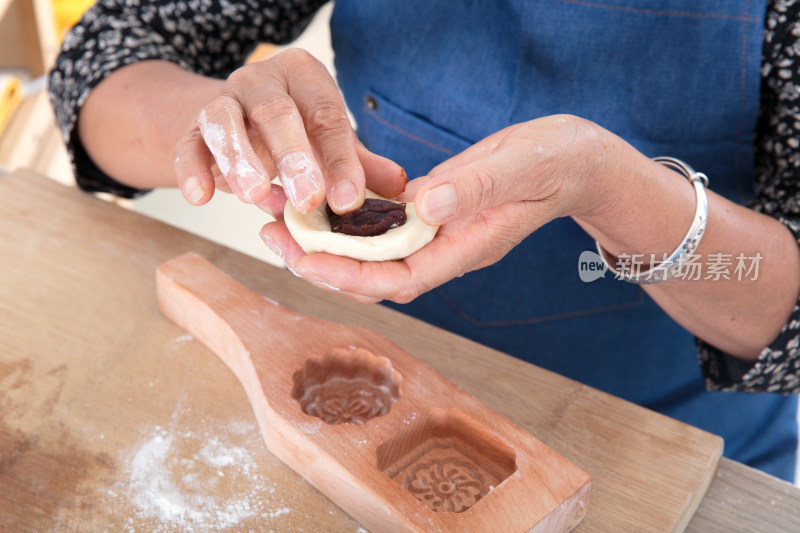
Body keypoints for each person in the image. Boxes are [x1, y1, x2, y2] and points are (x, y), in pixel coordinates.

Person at [49, 0, 800, 482]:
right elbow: (103, 56)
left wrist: (609, 187)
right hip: (375, 405)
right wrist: (223, 124)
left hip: (663, 450)